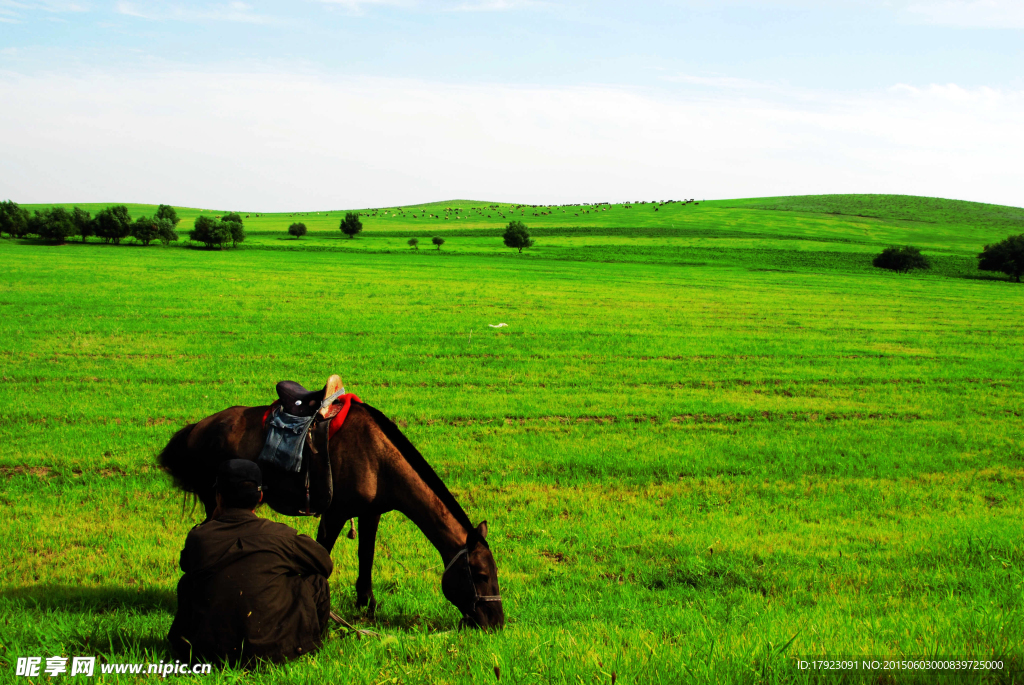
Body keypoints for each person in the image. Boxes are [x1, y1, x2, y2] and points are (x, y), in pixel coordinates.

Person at [168, 460, 333, 666]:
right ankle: (311, 643)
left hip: (211, 653)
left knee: (187, 582)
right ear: (260, 498)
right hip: (276, 651)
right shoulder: (281, 536)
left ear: (218, 497)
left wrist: (211, 522)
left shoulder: (199, 538)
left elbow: (188, 565)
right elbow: (324, 565)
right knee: (317, 582)